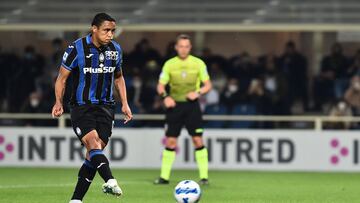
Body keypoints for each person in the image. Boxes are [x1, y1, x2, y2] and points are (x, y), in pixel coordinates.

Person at [51, 13, 133, 203]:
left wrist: (125, 104)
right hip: (82, 106)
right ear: (94, 29)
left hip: (106, 107)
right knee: (93, 144)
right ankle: (110, 180)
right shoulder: (76, 48)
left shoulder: (115, 50)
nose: (110, 34)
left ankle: (76, 200)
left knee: (93, 154)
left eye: (113, 30)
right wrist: (58, 102)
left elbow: (119, 78)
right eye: (106, 30)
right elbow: (61, 79)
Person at [154, 34, 212, 185]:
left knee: (197, 140)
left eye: (186, 46)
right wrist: (165, 96)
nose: (183, 49)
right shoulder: (169, 64)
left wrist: (197, 92)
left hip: (192, 106)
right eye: (181, 46)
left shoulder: (198, 63)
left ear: (190, 48)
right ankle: (164, 177)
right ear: (176, 47)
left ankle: (204, 177)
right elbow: (160, 85)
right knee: (171, 142)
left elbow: (208, 85)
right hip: (175, 106)